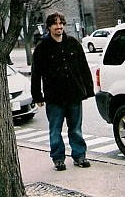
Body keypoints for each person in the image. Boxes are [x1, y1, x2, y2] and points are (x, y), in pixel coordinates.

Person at [31, 12, 94, 171]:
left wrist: (88, 89)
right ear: (49, 27)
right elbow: (36, 73)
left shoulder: (73, 43)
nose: (59, 27)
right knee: (55, 130)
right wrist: (37, 95)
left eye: (61, 24)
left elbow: (83, 68)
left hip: (74, 94)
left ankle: (80, 156)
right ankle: (58, 158)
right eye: (55, 24)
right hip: (54, 98)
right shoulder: (42, 48)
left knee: (76, 129)